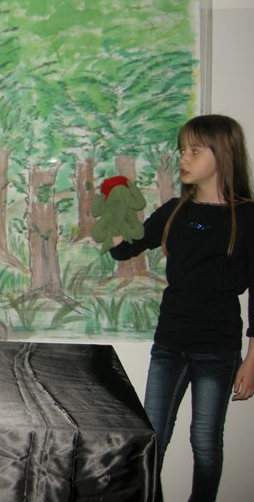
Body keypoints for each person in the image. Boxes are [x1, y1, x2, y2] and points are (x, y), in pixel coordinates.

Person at [108, 114, 254, 502]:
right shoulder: (175, 209)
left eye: (194, 151)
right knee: (152, 439)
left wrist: (252, 359)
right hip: (170, 344)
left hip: (217, 348)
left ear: (223, 154)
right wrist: (110, 216)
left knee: (205, 443)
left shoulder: (248, 217)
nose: (183, 159)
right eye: (181, 151)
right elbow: (125, 249)